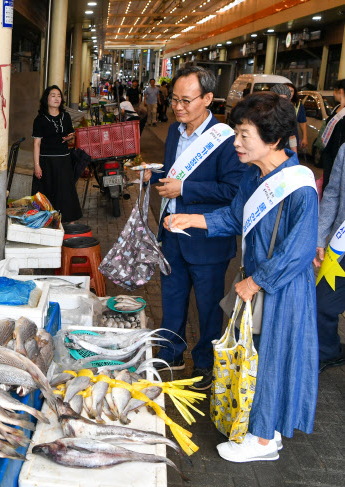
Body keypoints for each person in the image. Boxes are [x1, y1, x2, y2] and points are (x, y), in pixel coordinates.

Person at [163, 91, 318, 462]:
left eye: (244, 135)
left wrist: (254, 281)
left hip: (280, 288)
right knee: (259, 355)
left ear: (274, 139)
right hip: (259, 282)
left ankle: (263, 441)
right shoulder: (253, 174)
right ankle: (265, 431)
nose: (236, 143)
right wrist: (193, 219)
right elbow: (234, 217)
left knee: (272, 356)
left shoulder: (299, 185)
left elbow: (298, 250)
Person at [143, 66, 246, 390]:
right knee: (171, 298)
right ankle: (171, 352)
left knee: (208, 308)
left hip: (207, 241)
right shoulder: (175, 131)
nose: (178, 107)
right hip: (172, 233)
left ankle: (205, 364)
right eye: (174, 99)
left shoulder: (227, 140)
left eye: (186, 101)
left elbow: (233, 190)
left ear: (208, 99)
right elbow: (174, 175)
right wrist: (155, 177)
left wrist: (185, 189)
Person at [32, 85, 83, 223]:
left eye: (59, 96)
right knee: (47, 193)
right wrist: (37, 165)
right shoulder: (40, 119)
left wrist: (70, 137)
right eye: (53, 95)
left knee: (65, 191)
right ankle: (46, 221)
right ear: (46, 98)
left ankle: (69, 221)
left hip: (63, 161)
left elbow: (70, 133)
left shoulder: (65, 116)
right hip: (46, 162)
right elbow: (36, 144)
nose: (56, 98)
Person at [314, 143, 345, 371]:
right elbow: (333, 193)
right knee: (322, 302)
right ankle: (328, 351)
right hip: (340, 245)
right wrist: (320, 236)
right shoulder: (344, 149)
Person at [320, 79, 345, 190]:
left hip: (338, 157)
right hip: (329, 155)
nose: (333, 94)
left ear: (340, 91)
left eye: (334, 91)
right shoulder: (337, 108)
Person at [271, 83, 308, 154]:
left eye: (285, 99)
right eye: (279, 98)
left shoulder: (290, 111)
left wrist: (295, 154)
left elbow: (292, 135)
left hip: (284, 149)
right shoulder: (264, 113)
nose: (282, 101)